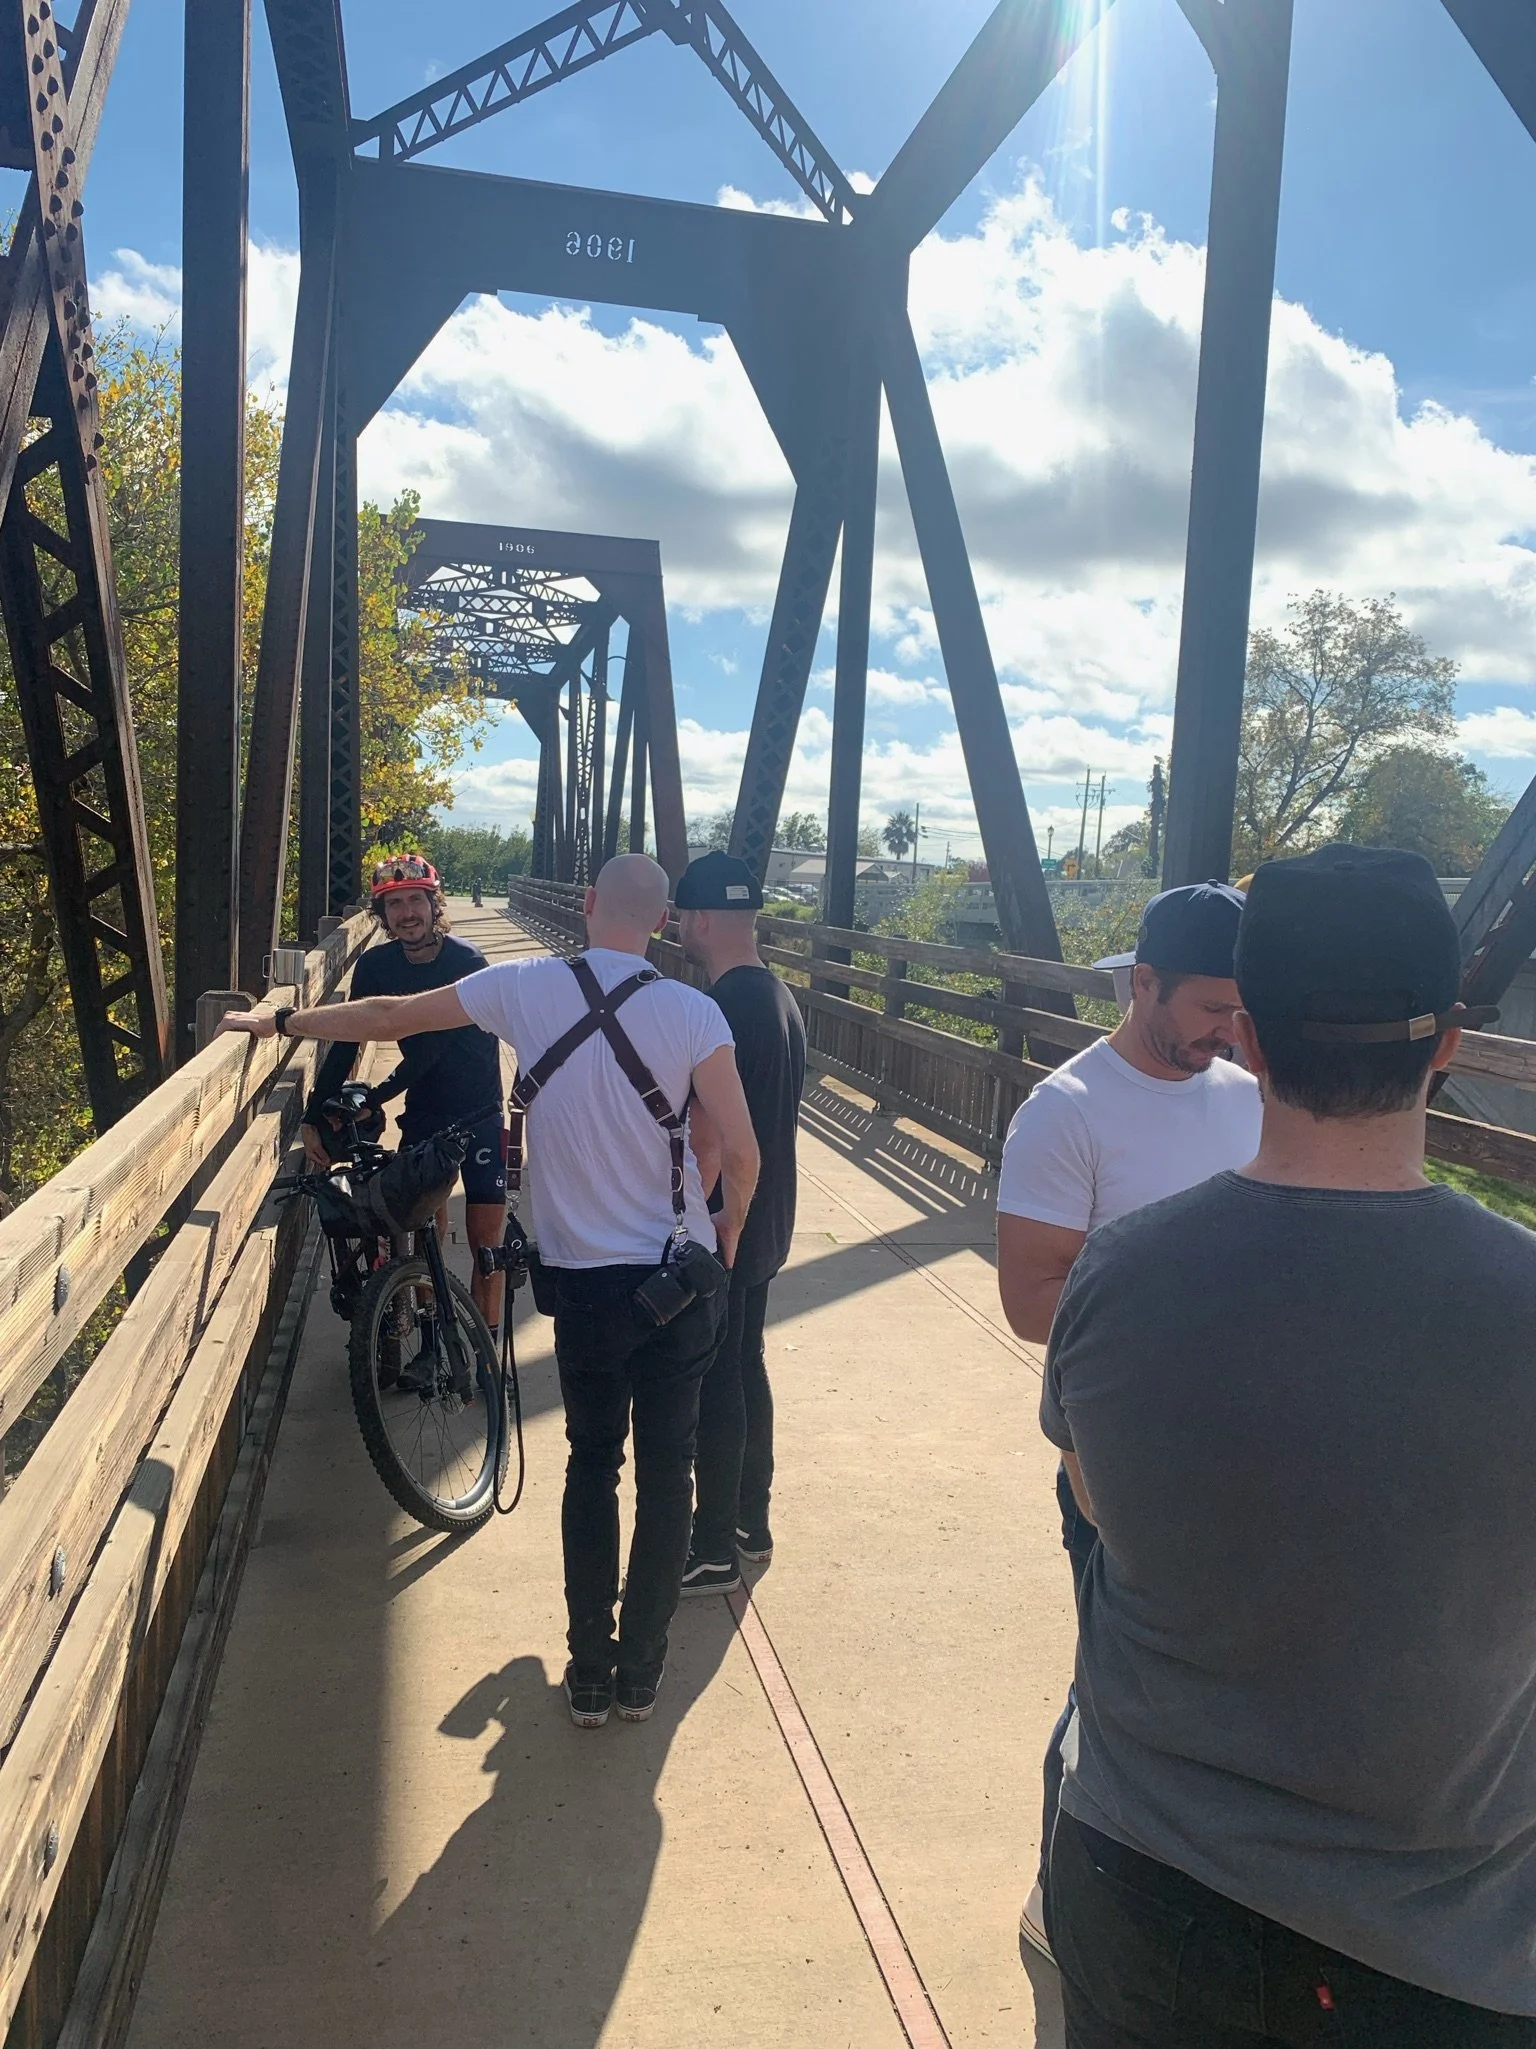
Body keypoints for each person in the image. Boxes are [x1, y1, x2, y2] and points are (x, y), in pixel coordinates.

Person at [1042, 844, 1536, 2045]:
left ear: (1250, 1040)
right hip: (1443, 1941)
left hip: (1144, 1881)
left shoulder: (1120, 1271)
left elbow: (1094, 1499)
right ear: (1447, 1044)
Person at [221, 855, 759, 1730]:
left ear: (585, 906)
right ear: (663, 923)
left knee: (593, 1465)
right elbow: (739, 1151)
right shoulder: (697, 1012)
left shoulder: (518, 987)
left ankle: (587, 1673)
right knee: (670, 1470)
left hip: (586, 1286)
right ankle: (640, 1674)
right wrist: (725, 1233)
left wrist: (279, 1018)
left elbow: (388, 1015)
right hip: (681, 1274)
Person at [996, 881, 1260, 1960]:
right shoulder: (1067, 1110)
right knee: (1112, 1684)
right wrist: (1195, 1340)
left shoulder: (1249, 1095)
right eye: (1208, 1007)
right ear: (1142, 981)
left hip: (1247, 1457)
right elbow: (1028, 1298)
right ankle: (1063, 1889)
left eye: (1243, 1011)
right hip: (1120, 1464)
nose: (1227, 1031)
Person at [671, 850, 806, 1597]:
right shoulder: (781, 997)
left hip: (733, 1217)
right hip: (772, 1215)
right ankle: (752, 1523)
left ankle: (714, 1543)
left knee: (718, 1378)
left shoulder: (720, 1007)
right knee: (747, 1366)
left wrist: (706, 1216)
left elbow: (712, 1135)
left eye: (686, 917)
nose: (682, 929)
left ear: (705, 919)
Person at [305, 853, 507, 1327]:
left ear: (435, 904)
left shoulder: (466, 961)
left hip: (479, 1112)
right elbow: (345, 1041)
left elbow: (430, 1053)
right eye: (394, 905)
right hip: (426, 1111)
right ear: (382, 916)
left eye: (415, 900)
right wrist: (314, 1115)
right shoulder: (376, 966)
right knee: (422, 1226)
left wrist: (374, 1098)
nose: (406, 913)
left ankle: (487, 1350)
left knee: (487, 1242)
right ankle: (434, 1326)